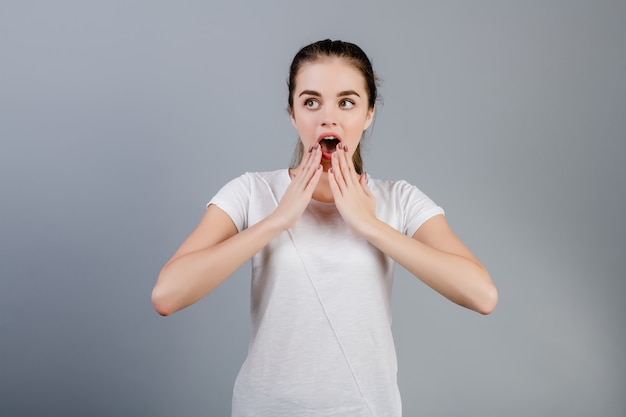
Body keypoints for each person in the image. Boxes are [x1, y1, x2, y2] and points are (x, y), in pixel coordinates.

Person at [151, 39, 498, 417]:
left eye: (346, 102)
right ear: (292, 113)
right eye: (311, 102)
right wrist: (277, 221)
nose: (327, 118)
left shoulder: (400, 198)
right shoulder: (252, 191)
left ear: (368, 114)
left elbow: (481, 296)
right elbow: (167, 295)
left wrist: (371, 226)